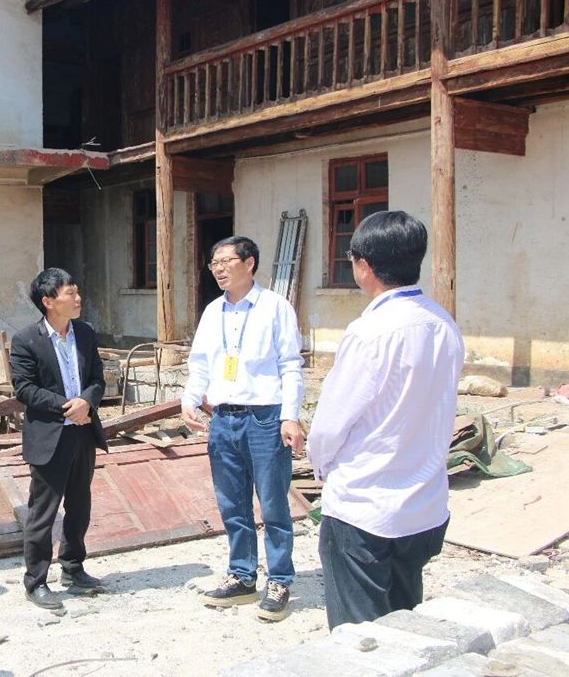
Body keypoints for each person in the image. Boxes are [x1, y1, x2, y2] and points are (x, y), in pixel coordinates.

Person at [307, 211, 463, 629]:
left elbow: (329, 426)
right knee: (405, 624)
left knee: (362, 639)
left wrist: (321, 465)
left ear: (364, 266)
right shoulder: (442, 323)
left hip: (365, 507)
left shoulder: (371, 332)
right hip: (423, 505)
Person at [181, 236, 305, 622]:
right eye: (213, 263)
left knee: (273, 502)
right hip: (223, 418)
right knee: (232, 502)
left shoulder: (275, 307)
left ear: (249, 263)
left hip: (265, 417)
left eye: (225, 261)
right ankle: (242, 576)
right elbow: (200, 362)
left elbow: (290, 363)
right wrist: (190, 398)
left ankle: (279, 579)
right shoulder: (212, 311)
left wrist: (290, 416)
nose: (218, 269)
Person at [9, 268, 107, 611]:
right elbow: (25, 389)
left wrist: (87, 402)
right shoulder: (26, 340)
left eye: (77, 292)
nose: (78, 298)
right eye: (70, 293)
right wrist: (69, 406)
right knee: (43, 511)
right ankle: (36, 581)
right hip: (50, 435)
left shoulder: (85, 332)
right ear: (48, 301)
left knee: (79, 505)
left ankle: (73, 567)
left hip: (83, 431)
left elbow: (97, 378)